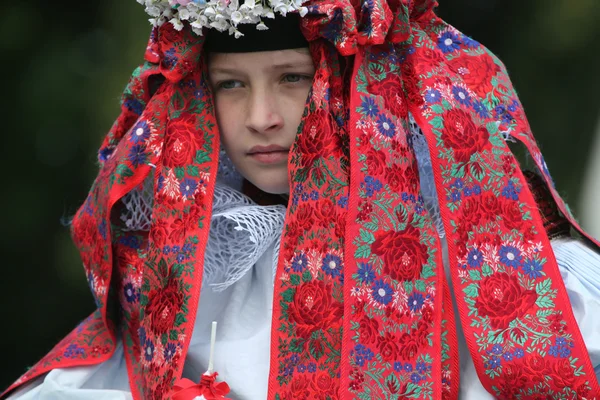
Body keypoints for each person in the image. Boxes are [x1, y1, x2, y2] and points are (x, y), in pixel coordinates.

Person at [3, 0, 600, 399]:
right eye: (231, 85)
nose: (262, 118)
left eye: (291, 78)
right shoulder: (187, 273)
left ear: (356, 85)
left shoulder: (499, 266)